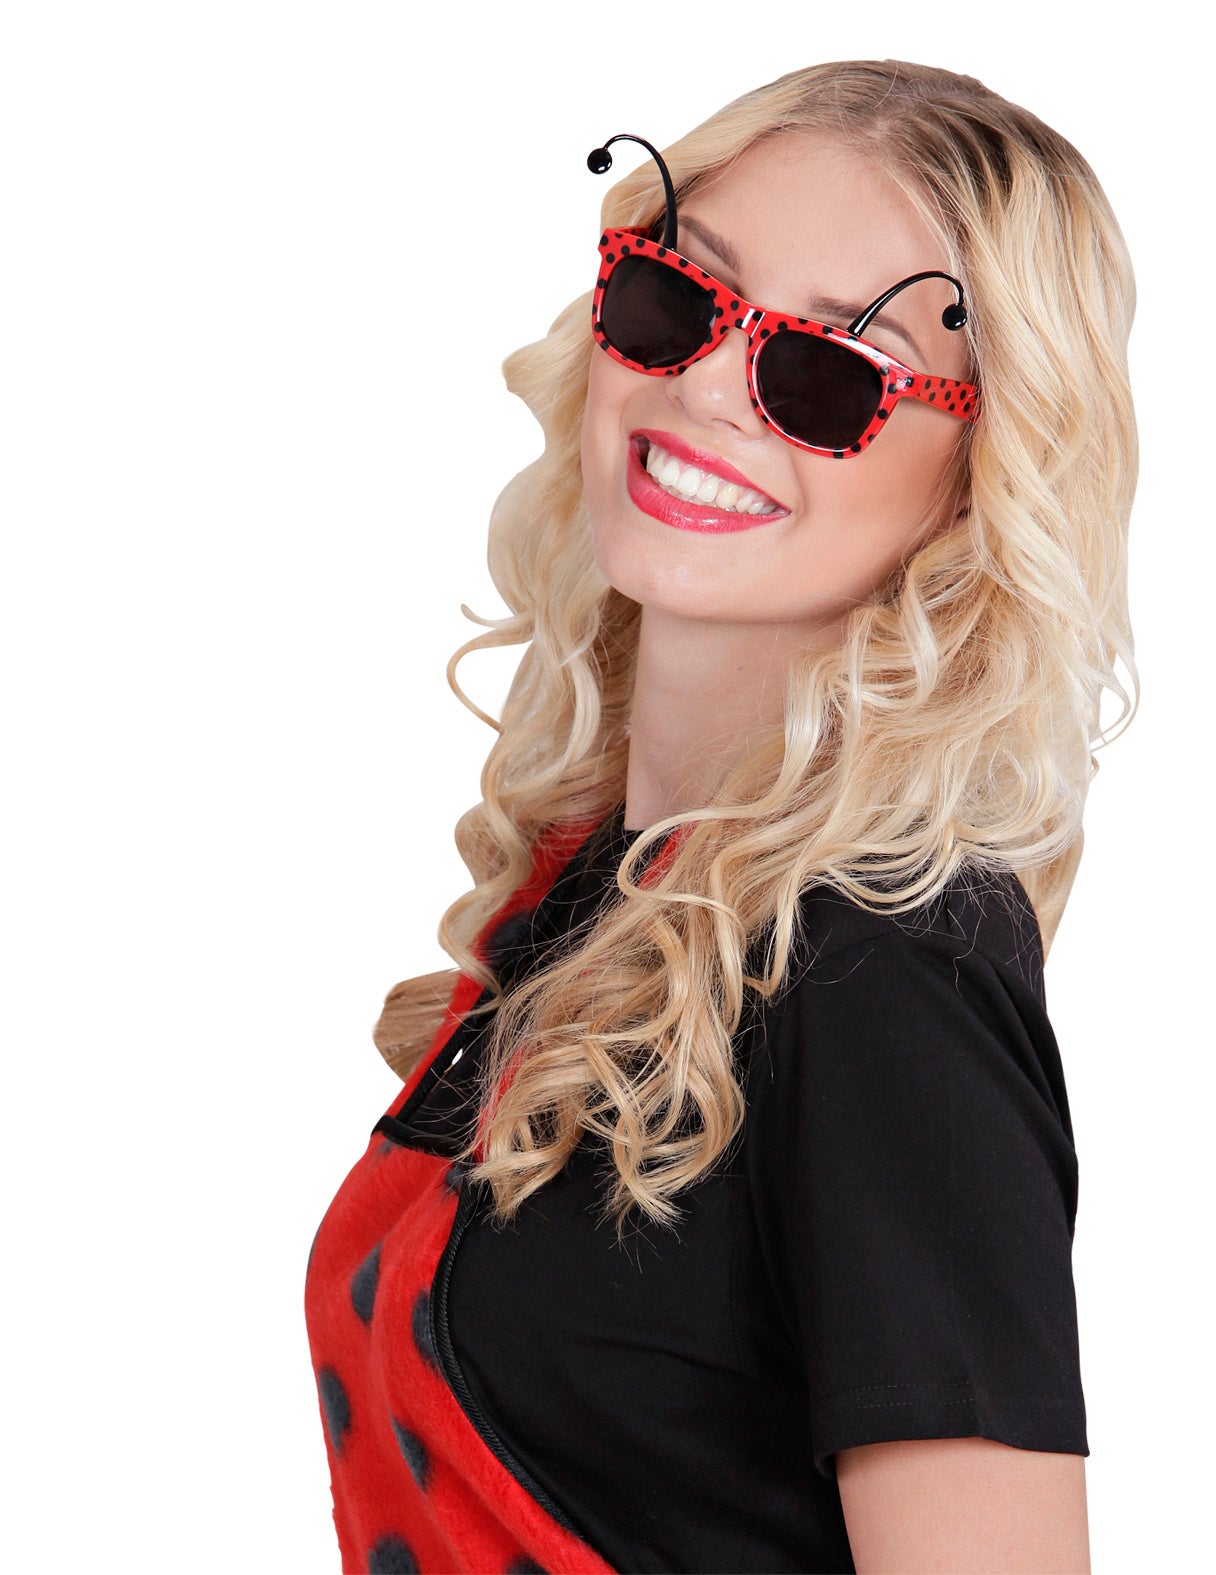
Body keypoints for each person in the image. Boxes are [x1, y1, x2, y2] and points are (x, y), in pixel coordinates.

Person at [304, 57, 1138, 1575]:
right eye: (673, 301)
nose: (703, 386)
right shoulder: (596, 891)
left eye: (826, 376)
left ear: (980, 479)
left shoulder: (886, 961)